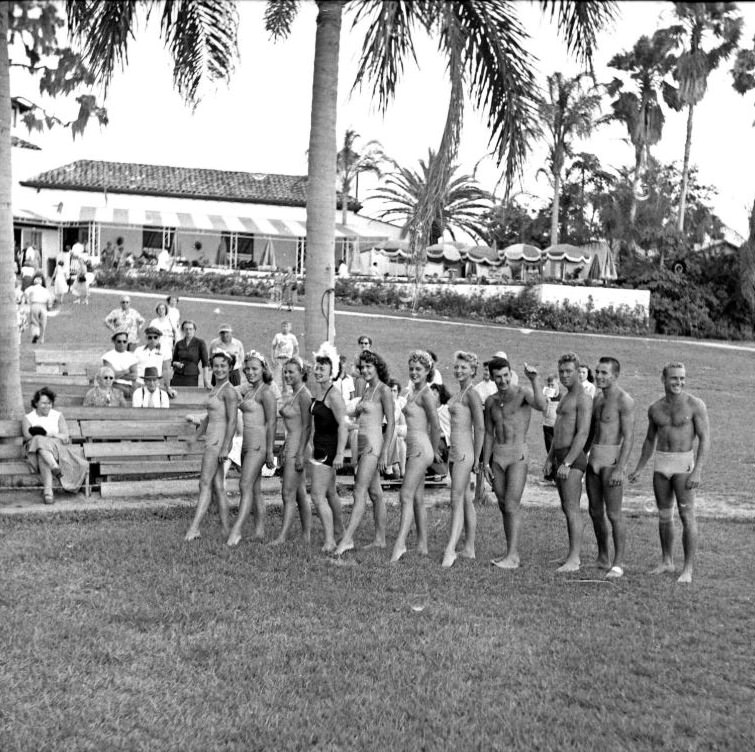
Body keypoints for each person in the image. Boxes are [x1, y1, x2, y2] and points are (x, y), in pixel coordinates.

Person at [628, 362, 710, 583]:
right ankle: (666, 561)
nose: (679, 382)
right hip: (661, 465)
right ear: (663, 379)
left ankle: (688, 569)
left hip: (684, 465)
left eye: (682, 378)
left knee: (686, 515)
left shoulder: (695, 405)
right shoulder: (655, 408)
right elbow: (649, 440)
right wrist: (639, 468)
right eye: (674, 378)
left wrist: (697, 471)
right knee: (664, 516)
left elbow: (705, 439)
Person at [483, 356, 545, 569]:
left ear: (511, 373)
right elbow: (489, 434)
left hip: (517, 454)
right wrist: (485, 463)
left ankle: (513, 556)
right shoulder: (491, 401)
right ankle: (510, 553)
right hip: (498, 456)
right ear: (492, 377)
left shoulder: (522, 394)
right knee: (503, 505)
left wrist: (535, 380)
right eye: (498, 377)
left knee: (511, 504)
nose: (502, 380)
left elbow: (542, 405)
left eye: (506, 375)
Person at [334, 350, 394, 555]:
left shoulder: (384, 391)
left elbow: (391, 423)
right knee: (375, 493)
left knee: (359, 491)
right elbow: (357, 416)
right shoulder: (367, 389)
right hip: (361, 444)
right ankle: (380, 539)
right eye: (362, 367)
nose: (365, 370)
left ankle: (347, 539)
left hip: (373, 445)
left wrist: (385, 452)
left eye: (369, 366)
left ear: (378, 367)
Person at [586, 357, 636, 580]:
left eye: (604, 373)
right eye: (597, 372)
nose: (599, 376)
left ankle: (618, 563)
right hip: (594, 458)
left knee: (614, 514)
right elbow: (592, 433)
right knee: (595, 512)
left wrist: (620, 468)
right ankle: (603, 556)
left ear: (615, 375)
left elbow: (629, 437)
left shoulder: (624, 400)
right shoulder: (597, 398)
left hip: (612, 460)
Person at [543, 353, 593, 573]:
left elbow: (582, 433)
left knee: (572, 508)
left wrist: (568, 462)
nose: (564, 375)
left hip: (573, 458)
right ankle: (570, 555)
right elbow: (557, 430)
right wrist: (549, 457)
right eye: (561, 371)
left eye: (569, 371)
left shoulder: (583, 398)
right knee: (566, 507)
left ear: (578, 371)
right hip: (560, 455)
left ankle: (575, 559)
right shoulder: (565, 396)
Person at [391, 350, 441, 563]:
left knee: (405, 494)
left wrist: (434, 450)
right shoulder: (412, 392)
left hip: (421, 448)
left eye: (419, 369)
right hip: (414, 447)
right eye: (411, 369)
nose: (414, 372)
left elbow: (436, 424)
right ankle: (422, 546)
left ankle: (400, 544)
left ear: (428, 370)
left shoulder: (427, 395)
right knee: (418, 498)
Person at [184, 352, 240, 541]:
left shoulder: (229, 391)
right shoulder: (215, 388)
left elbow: (232, 421)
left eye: (223, 366)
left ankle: (194, 528)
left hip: (218, 443)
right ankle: (226, 530)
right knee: (217, 486)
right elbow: (209, 417)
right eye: (216, 366)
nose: (219, 369)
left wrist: (226, 447)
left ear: (230, 368)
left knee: (204, 483)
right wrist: (195, 436)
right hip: (211, 440)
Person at [227, 351, 277, 546]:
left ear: (263, 369)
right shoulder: (249, 391)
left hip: (259, 445)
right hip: (246, 444)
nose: (250, 372)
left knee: (244, 485)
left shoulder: (266, 392)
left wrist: (270, 452)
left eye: (254, 368)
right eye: (247, 369)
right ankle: (259, 531)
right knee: (255, 489)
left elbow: (272, 423)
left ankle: (237, 531)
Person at [442, 351, 484, 567]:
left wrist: (477, 459)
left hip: (464, 454)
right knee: (465, 500)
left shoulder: (472, 395)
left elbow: (480, 427)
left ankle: (450, 550)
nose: (459, 370)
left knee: (456, 499)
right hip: (454, 451)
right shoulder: (459, 393)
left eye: (464, 367)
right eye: (457, 367)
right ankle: (469, 548)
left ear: (473, 370)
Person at [308, 342, 349, 552]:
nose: (318, 371)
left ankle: (330, 540)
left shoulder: (334, 395)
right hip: (319, 447)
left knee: (317, 495)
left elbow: (343, 425)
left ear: (332, 371)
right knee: (331, 493)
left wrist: (340, 453)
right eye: (316, 367)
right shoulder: (320, 392)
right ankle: (343, 534)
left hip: (329, 450)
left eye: (322, 368)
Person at [271, 357, 312, 545]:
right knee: (300, 491)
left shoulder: (304, 395)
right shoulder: (293, 393)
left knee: (287, 492)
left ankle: (282, 536)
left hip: (299, 447)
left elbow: (306, 427)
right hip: (291, 443)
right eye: (285, 371)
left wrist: (300, 453)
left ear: (301, 373)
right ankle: (306, 534)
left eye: (291, 372)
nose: (287, 375)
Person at [23, 387, 87, 503]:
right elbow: (28, 437)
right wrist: (43, 438)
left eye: (49, 403)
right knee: (39, 442)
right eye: (43, 403)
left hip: (56, 449)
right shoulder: (28, 418)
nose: (47, 406)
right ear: (36, 403)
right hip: (33, 450)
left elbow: (65, 436)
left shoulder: (57, 415)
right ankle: (54, 467)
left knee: (42, 451)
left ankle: (48, 493)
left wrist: (50, 434)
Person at [172, 320, 210, 388]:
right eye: (186, 329)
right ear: (183, 330)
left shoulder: (200, 343)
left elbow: (205, 363)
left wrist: (206, 381)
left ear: (194, 330)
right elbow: (173, 361)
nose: (188, 331)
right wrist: (176, 364)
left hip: (191, 376)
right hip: (177, 375)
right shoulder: (179, 343)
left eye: (190, 329)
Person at [102, 330, 138, 396]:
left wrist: (117, 374)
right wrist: (125, 371)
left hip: (130, 386)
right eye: (119, 341)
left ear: (127, 342)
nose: (122, 344)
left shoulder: (132, 357)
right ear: (114, 341)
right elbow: (110, 376)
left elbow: (134, 376)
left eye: (124, 341)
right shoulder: (107, 356)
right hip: (114, 385)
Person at [149, 302, 178, 380]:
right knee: (156, 366)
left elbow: (176, 333)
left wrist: (175, 345)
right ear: (157, 310)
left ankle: (167, 383)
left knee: (167, 367)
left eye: (163, 309)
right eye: (159, 309)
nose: (161, 310)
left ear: (166, 310)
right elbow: (149, 335)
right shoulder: (154, 322)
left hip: (168, 348)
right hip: (157, 348)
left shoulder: (171, 321)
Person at [385, 379, 407, 479]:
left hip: (394, 434)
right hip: (382, 433)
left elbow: (404, 427)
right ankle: (390, 467)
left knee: (400, 440)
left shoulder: (399, 404)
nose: (392, 393)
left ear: (398, 393)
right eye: (390, 390)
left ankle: (402, 471)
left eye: (394, 391)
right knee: (393, 432)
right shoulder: (383, 403)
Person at [271, 321, 299, 393]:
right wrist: (272, 358)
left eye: (287, 326)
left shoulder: (292, 337)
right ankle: (276, 392)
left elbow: (297, 349)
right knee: (277, 376)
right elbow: (273, 348)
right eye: (283, 326)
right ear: (281, 327)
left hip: (288, 359)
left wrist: (295, 357)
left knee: (287, 375)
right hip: (279, 359)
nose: (285, 328)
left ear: (290, 328)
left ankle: (286, 390)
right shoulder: (277, 336)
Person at [24, 274, 53, 344]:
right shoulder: (45, 290)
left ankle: (36, 333)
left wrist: (28, 300)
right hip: (43, 306)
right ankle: (42, 338)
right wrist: (49, 306)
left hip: (34, 305)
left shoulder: (32, 288)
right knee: (43, 323)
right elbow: (49, 298)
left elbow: (25, 292)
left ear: (34, 282)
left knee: (34, 321)